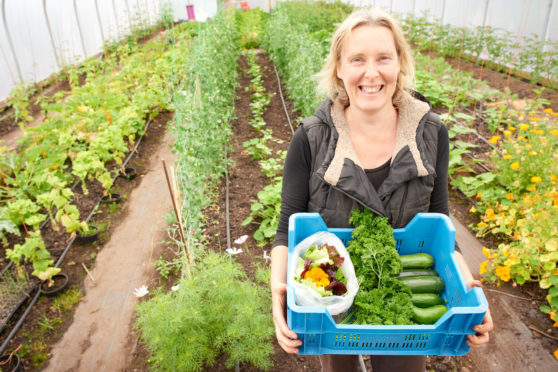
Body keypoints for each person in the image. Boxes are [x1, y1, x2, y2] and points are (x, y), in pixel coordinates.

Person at [270, 7, 493, 372]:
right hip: (331, 300)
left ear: (400, 64)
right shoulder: (311, 139)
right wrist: (277, 294)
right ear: (339, 68)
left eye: (383, 58)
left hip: (403, 306)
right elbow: (285, 230)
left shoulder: (431, 134)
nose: (371, 73)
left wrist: (470, 292)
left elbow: (441, 225)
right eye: (357, 59)